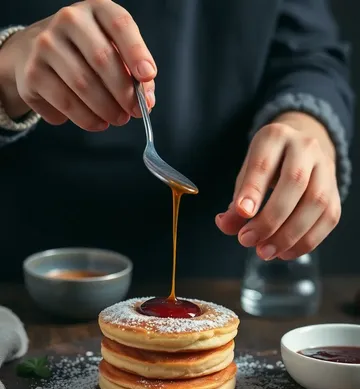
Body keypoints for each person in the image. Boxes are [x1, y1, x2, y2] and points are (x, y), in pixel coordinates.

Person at [0, 0, 354, 285]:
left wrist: (306, 121)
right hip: (18, 280)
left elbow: (309, 51)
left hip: (215, 272)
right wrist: (6, 65)